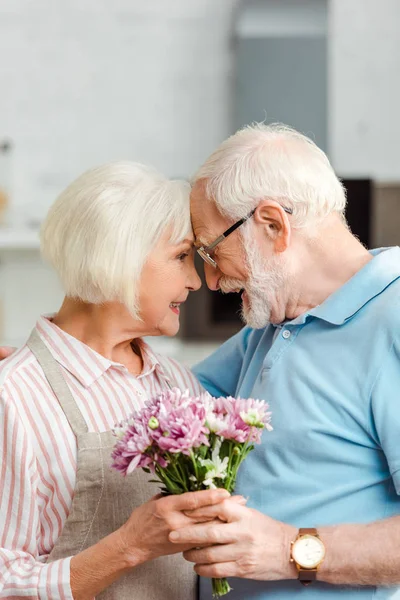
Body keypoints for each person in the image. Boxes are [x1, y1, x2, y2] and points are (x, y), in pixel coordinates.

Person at [166, 123, 400, 599]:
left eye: (212, 252)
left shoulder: (391, 319)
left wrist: (288, 550)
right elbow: (166, 400)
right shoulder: (272, 325)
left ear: (273, 224)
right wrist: (46, 367)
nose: (210, 282)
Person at [0, 162, 238, 600]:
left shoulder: (177, 382)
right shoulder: (13, 397)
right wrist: (128, 547)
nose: (195, 280)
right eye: (182, 256)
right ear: (120, 254)